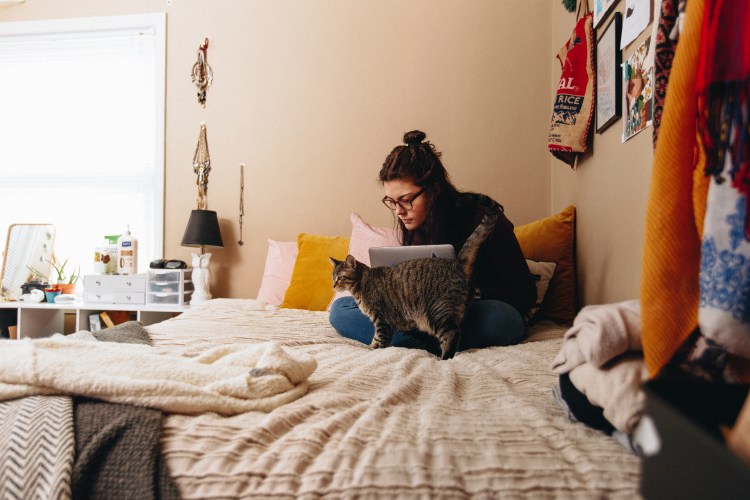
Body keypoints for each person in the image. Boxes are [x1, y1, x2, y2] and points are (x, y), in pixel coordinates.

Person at [329, 130, 537, 356]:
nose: (399, 211)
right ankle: (427, 339)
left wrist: (469, 292)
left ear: (433, 190)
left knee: (505, 320)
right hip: (420, 314)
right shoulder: (412, 223)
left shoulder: (482, 218)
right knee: (340, 309)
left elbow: (526, 293)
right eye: (392, 201)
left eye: (406, 200)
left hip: (471, 308)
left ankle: (411, 340)